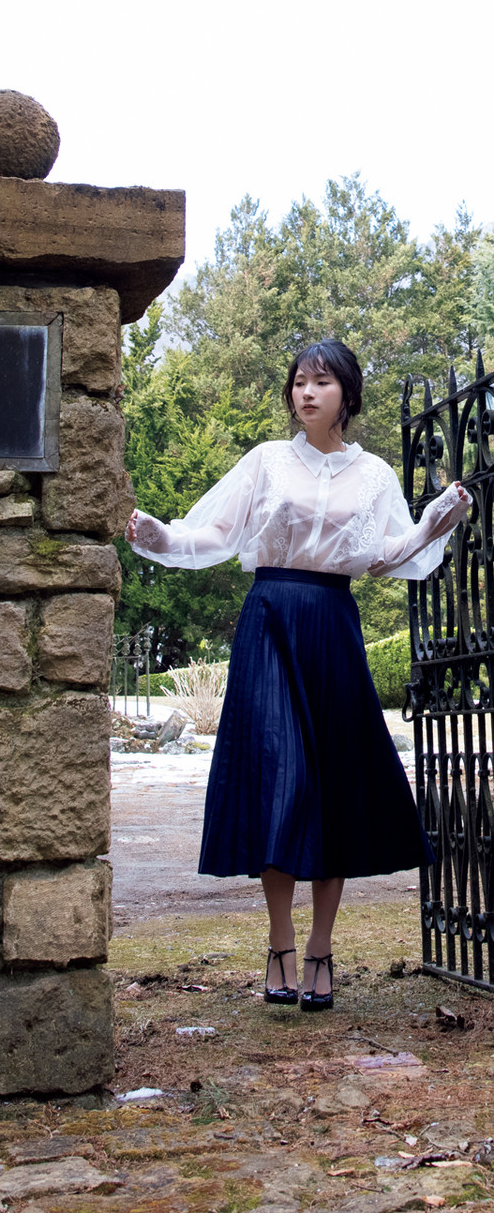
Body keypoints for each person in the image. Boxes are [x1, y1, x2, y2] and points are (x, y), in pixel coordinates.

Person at [124, 339, 469, 1011]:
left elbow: (386, 555)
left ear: (347, 394)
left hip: (331, 623)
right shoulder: (266, 462)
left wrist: (434, 522)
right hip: (270, 621)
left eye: (321, 382)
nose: (306, 393)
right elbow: (217, 534)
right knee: (278, 777)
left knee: (331, 784)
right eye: (299, 382)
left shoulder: (372, 475)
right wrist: (162, 538)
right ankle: (279, 942)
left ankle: (319, 949)